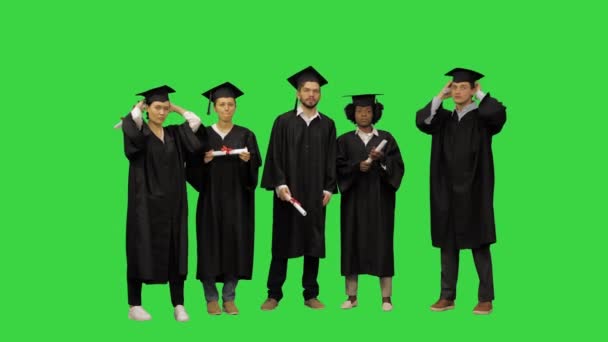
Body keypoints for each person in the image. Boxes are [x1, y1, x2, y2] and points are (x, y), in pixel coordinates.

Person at [415, 68, 507, 315]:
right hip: (446, 187)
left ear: (473, 89)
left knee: (479, 242)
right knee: (447, 242)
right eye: (454, 87)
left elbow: (498, 113)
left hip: (475, 188)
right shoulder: (443, 120)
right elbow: (421, 121)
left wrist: (480, 95)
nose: (457, 91)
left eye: (463, 87)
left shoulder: (482, 118)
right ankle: (447, 296)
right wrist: (438, 96)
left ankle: (485, 297)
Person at [118, 85, 205, 322]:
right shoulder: (140, 133)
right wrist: (139, 107)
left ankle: (178, 304)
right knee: (140, 247)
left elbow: (195, 124)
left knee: (176, 250)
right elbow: (132, 125)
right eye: (158, 107)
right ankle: (134, 305)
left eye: (166, 108)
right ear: (148, 109)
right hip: (144, 204)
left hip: (174, 204)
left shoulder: (176, 134)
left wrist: (176, 108)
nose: (162, 112)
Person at [260, 66, 337, 311]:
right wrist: (279, 184)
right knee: (282, 241)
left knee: (313, 242)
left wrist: (329, 188)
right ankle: (274, 294)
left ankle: (310, 294)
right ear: (297, 93)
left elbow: (331, 158)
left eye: (315, 91)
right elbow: (275, 155)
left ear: (320, 95)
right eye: (307, 90)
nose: (311, 94)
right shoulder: (283, 121)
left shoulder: (328, 124)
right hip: (288, 194)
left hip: (315, 193)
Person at [186, 82, 261, 315]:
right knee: (209, 246)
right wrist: (203, 162)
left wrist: (248, 163)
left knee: (235, 245)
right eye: (222, 104)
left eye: (230, 104)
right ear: (214, 107)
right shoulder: (203, 135)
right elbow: (191, 171)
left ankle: (229, 297)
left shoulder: (246, 134)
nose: (226, 108)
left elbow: (254, 176)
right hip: (211, 201)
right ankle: (211, 298)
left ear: (235, 107)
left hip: (239, 202)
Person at [336, 94, 404, 311]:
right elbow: (336, 169)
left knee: (382, 245)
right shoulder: (344, 140)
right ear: (352, 113)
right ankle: (352, 296)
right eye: (359, 111)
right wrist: (357, 167)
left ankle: (386, 298)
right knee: (351, 245)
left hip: (379, 202)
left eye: (367, 111)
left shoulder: (386, 138)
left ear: (375, 112)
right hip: (353, 202)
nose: (363, 115)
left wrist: (382, 160)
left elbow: (399, 167)